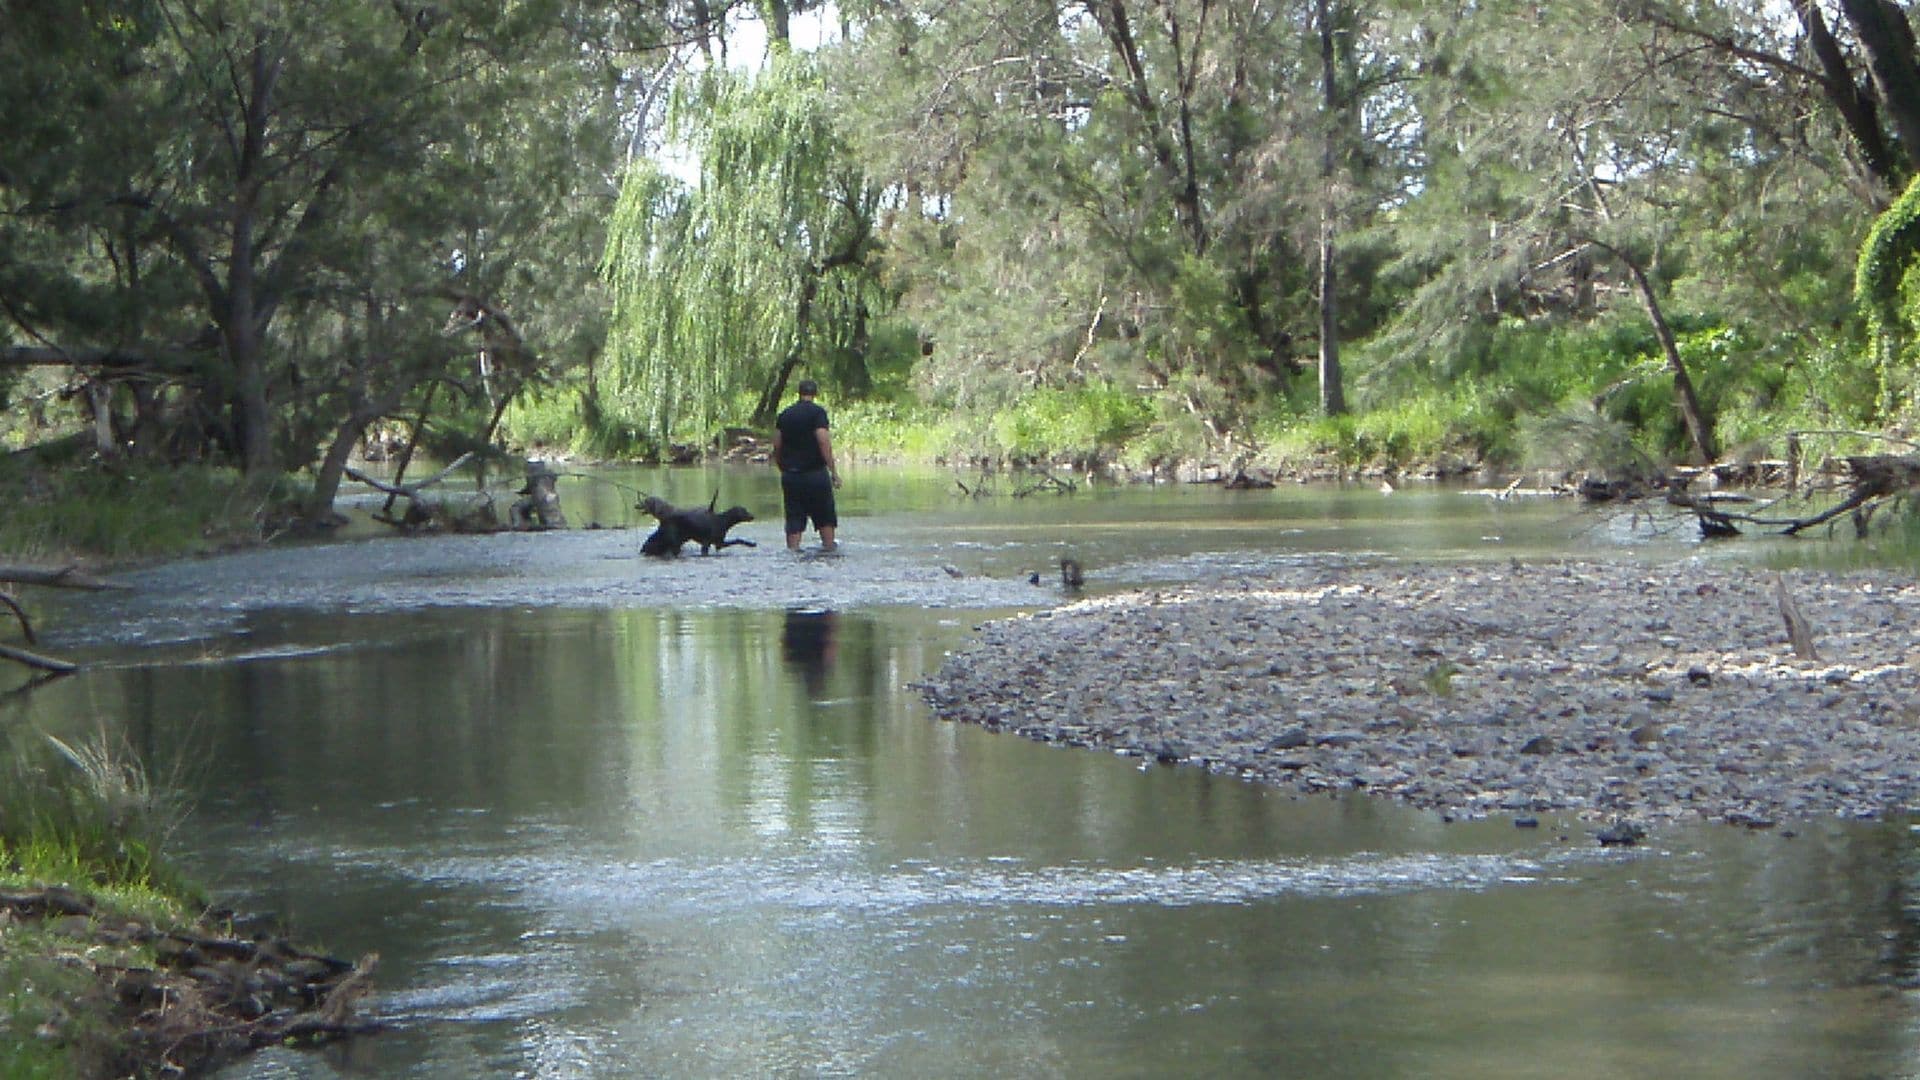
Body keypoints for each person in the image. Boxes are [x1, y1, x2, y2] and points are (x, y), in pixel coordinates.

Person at [773, 378, 841, 551]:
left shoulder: (785, 415)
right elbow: (823, 441)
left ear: (799, 393)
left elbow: (777, 445)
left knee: (794, 519)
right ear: (815, 394)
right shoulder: (818, 413)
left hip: (791, 475)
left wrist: (782, 466)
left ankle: (793, 551)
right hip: (815, 474)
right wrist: (833, 471)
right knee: (825, 516)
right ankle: (828, 549)